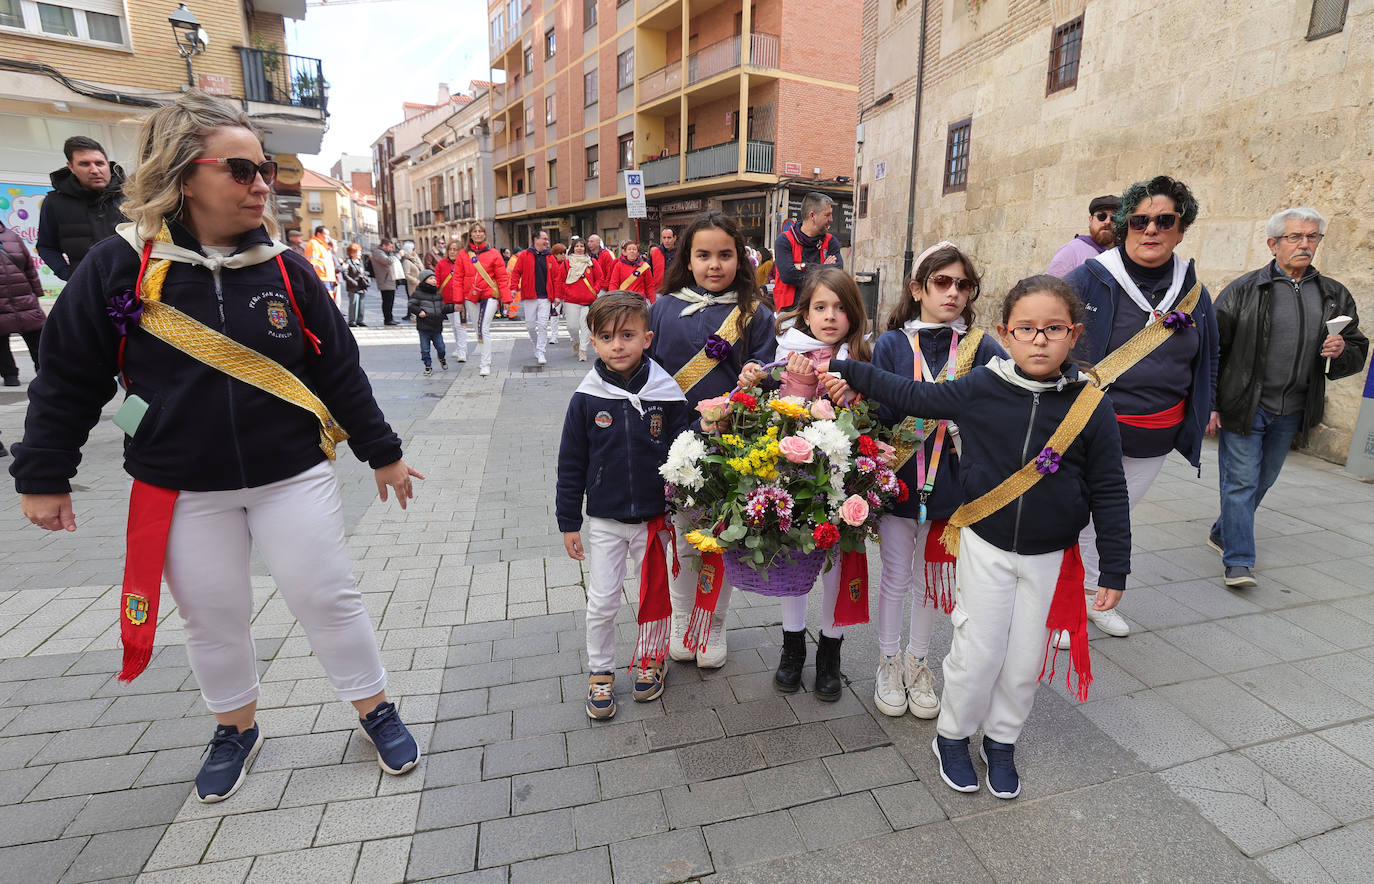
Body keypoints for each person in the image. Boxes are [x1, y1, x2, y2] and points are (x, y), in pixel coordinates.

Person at [8, 92, 423, 803]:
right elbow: (69, 376)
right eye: (240, 168)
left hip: (291, 475)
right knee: (213, 614)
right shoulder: (118, 266)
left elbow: (338, 369)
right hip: (178, 484)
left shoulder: (289, 271)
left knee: (326, 596)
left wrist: (381, 451)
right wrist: (43, 474)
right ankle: (236, 728)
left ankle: (374, 708)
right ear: (182, 174)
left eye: (263, 168)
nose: (262, 183)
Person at [820, 275, 1130, 799]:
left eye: (1052, 328)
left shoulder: (1091, 405)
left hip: (1048, 554)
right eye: (1025, 328)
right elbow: (914, 393)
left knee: (1026, 658)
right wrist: (848, 368)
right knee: (979, 650)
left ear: (1073, 335)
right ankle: (954, 735)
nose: (1038, 340)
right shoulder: (983, 385)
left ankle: (1003, 740)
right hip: (985, 544)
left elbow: (1109, 487)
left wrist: (1116, 567)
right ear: (1005, 334)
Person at [1062, 175, 1218, 646]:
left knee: (1116, 516)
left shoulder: (1193, 292)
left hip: (1155, 432)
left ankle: (1096, 597)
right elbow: (1046, 334)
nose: (1151, 229)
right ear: (1126, 226)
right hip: (1089, 428)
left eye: (1164, 220)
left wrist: (1206, 408)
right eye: (1140, 220)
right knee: (1074, 516)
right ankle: (1063, 606)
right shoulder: (1089, 277)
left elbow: (1208, 356)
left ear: (1181, 229)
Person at [866, 242, 1004, 720]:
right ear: (917, 288)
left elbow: (998, 404)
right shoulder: (890, 344)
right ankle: (887, 661)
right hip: (900, 480)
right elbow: (879, 413)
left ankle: (919, 662)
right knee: (895, 578)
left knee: (932, 581)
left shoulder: (981, 346)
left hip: (952, 482)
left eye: (962, 285)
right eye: (941, 282)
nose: (952, 293)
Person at [1208, 208, 1368, 587]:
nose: (1305, 244)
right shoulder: (1244, 290)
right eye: (1295, 237)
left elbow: (1358, 349)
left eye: (1312, 237)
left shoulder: (1333, 294)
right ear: (1273, 244)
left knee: (1263, 479)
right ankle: (1239, 561)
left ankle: (1222, 531)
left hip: (1293, 408)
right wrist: (1210, 403)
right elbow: (1213, 350)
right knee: (1242, 481)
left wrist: (1342, 348)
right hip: (1245, 404)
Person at [648, 211, 776, 669]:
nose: (714, 265)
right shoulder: (662, 308)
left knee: (722, 536)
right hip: (676, 442)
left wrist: (756, 379)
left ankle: (714, 623)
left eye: (725, 255)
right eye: (703, 255)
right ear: (687, 258)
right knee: (683, 536)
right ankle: (684, 620)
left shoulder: (755, 313)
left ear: (739, 259)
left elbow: (769, 377)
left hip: (731, 443)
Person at [557, 293, 690, 718]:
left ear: (647, 338)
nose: (618, 345)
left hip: (655, 520)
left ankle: (652, 660)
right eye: (607, 337)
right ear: (593, 342)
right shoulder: (585, 398)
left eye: (628, 335)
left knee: (654, 594)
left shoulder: (666, 393)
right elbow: (571, 462)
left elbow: (685, 449)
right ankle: (600, 671)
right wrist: (568, 521)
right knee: (602, 600)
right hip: (606, 520)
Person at [745, 267, 873, 700]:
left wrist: (850, 396)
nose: (830, 316)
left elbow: (871, 418)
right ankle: (793, 646)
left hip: (844, 479)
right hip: (798, 478)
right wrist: (800, 382)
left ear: (853, 314)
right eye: (820, 307)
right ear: (806, 312)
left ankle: (830, 653)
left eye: (840, 308)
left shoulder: (861, 358)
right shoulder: (788, 352)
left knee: (837, 562)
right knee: (793, 560)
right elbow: (782, 417)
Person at [36, 135, 127, 280]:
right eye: (84, 164)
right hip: (87, 287)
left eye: (99, 163)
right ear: (71, 167)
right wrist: (68, 274)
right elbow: (46, 246)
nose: (95, 170)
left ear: (108, 164)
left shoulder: (131, 196)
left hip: (135, 285)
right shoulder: (55, 202)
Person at [454, 222, 511, 377]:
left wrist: (506, 299)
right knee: (477, 329)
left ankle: (485, 363)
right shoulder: (463, 254)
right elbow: (457, 278)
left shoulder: (494, 254)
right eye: (475, 231)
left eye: (480, 231)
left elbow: (502, 278)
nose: (478, 234)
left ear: (485, 234)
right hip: (470, 296)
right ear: (471, 234)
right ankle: (484, 359)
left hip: (489, 295)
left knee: (484, 328)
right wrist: (458, 301)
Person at [772, 192, 843, 310]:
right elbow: (787, 276)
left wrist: (803, 267)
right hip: (789, 312)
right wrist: (824, 268)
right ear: (812, 216)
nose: (831, 219)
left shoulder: (831, 241)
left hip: (821, 309)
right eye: (827, 215)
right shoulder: (784, 240)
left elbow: (837, 270)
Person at [1, 219, 45, 392]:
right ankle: (9, 375)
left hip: (24, 297)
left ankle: (45, 372)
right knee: (1, 343)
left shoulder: (11, 236)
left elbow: (29, 268)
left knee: (38, 337)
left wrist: (36, 293)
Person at [509, 229, 558, 364]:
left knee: (543, 325)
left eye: (547, 239)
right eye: (544, 239)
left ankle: (541, 351)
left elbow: (557, 278)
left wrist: (557, 296)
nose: (547, 242)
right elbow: (515, 273)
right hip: (530, 296)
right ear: (536, 240)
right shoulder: (524, 255)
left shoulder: (550, 257)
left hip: (545, 297)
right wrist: (513, 288)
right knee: (530, 326)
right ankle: (536, 346)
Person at [1046, 196, 1120, 278]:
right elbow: (1050, 287)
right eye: (1101, 216)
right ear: (1091, 219)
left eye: (1114, 218)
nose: (1108, 222)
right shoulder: (1072, 250)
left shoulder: (1123, 254)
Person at [563, 239, 601, 362]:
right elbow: (560, 280)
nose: (579, 248)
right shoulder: (566, 263)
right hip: (571, 300)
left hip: (588, 300)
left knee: (586, 326)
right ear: (573, 248)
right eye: (577, 246)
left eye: (582, 246)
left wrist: (594, 291)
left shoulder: (592, 262)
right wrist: (567, 292)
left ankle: (583, 350)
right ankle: (576, 342)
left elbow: (600, 278)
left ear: (585, 248)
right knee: (572, 326)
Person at [407, 269, 448, 376]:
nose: (434, 280)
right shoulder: (418, 293)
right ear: (424, 281)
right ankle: (428, 366)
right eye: (431, 278)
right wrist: (419, 311)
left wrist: (452, 308)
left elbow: (443, 308)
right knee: (425, 349)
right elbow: (411, 305)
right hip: (424, 327)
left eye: (434, 278)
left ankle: (442, 358)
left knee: (441, 347)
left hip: (436, 326)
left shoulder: (438, 293)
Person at [304, 226, 338, 302]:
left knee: (329, 301)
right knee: (326, 302)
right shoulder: (313, 244)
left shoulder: (322, 245)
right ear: (319, 234)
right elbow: (311, 262)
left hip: (327, 277)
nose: (328, 237)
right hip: (321, 277)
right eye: (326, 234)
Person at [370, 239, 400, 325]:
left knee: (390, 301)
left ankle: (390, 318)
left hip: (389, 280)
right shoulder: (378, 252)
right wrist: (398, 255)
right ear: (384, 245)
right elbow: (388, 261)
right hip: (385, 280)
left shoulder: (385, 252)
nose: (391, 249)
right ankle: (388, 319)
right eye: (390, 247)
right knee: (387, 301)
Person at [340, 243, 369, 327]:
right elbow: (345, 275)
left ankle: (360, 320)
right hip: (353, 287)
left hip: (362, 286)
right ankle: (352, 321)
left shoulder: (360, 262)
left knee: (361, 303)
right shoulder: (348, 262)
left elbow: (363, 272)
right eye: (358, 252)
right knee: (353, 304)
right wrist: (353, 282)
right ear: (352, 253)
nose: (360, 253)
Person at [548, 242, 568, 347]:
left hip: (565, 294)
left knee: (568, 316)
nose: (563, 255)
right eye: (561, 253)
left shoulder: (567, 264)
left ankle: (572, 335)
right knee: (554, 315)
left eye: (564, 253)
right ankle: (554, 336)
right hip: (556, 294)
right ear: (555, 254)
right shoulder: (551, 263)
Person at [649, 226, 678, 295]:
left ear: (674, 238)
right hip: (659, 291)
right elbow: (648, 271)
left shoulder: (681, 252)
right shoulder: (655, 252)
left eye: (669, 237)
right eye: (664, 238)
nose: (666, 241)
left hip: (678, 290)